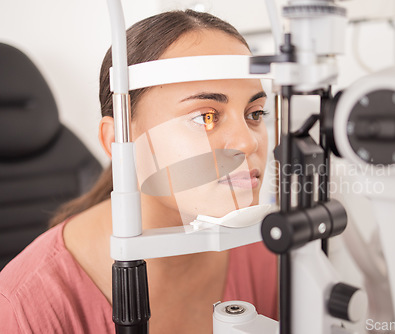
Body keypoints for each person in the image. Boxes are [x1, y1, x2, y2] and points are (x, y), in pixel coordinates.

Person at [0, 9, 277, 333]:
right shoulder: (24, 308)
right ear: (120, 141)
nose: (247, 142)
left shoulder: (264, 252)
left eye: (255, 113)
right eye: (206, 117)